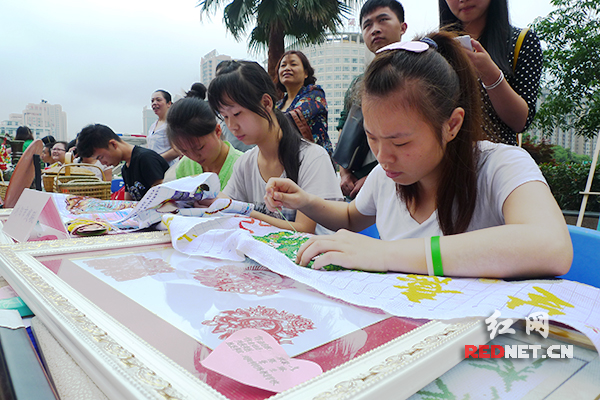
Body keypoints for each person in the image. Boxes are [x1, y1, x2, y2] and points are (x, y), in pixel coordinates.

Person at [264, 32, 572, 278]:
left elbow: (551, 246)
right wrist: (304, 201)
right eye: (372, 138)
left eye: (400, 143)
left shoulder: (500, 165)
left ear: (452, 124)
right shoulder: (386, 176)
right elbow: (350, 217)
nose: (384, 158)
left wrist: (384, 254)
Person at [207, 61, 342, 234]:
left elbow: (303, 230)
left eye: (237, 114)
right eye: (225, 117)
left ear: (266, 103)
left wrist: (243, 211)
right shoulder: (245, 163)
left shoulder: (313, 158)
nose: (232, 125)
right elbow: (225, 203)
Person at [439, 0, 542, 145]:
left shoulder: (521, 41)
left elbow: (520, 122)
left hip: (497, 162)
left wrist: (491, 76)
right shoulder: (436, 47)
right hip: (447, 161)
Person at [336, 0, 407, 199]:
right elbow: (344, 128)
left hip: (401, 182)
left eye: (383, 20)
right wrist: (344, 174)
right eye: (367, 25)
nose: (375, 29)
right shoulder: (359, 82)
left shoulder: (417, 73)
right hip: (355, 186)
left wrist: (376, 177)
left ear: (403, 27)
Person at [167, 83, 243, 190]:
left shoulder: (243, 166)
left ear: (217, 131)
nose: (194, 156)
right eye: (184, 151)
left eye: (199, 148)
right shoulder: (184, 166)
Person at [76, 124, 169, 201]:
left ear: (113, 144)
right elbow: (128, 203)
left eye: (101, 157)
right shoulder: (126, 168)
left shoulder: (145, 158)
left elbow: (163, 197)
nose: (103, 163)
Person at [275, 51, 333, 156]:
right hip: (289, 163)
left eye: (293, 64)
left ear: (306, 73)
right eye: (283, 65)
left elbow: (293, 118)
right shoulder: (278, 105)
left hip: (316, 161)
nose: (287, 68)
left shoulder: (315, 94)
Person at [147, 89, 180, 166]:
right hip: (154, 169)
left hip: (168, 170)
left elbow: (177, 150)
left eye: (158, 100)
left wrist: (156, 159)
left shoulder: (172, 123)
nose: (154, 103)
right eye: (152, 101)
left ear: (168, 103)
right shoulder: (153, 126)